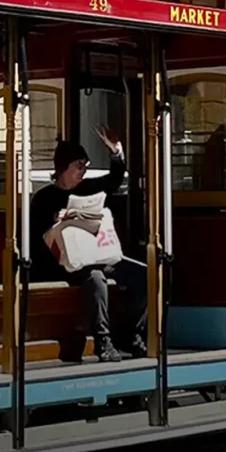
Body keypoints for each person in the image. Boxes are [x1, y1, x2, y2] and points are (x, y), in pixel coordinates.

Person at [29, 129, 148, 362]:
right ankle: (103, 342)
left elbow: (114, 179)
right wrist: (59, 224)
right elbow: (37, 240)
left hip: (96, 255)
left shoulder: (85, 189)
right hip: (64, 263)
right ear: (64, 167)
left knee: (142, 274)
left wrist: (116, 152)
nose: (83, 171)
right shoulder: (43, 199)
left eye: (85, 165)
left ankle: (136, 337)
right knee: (95, 279)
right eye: (79, 166)